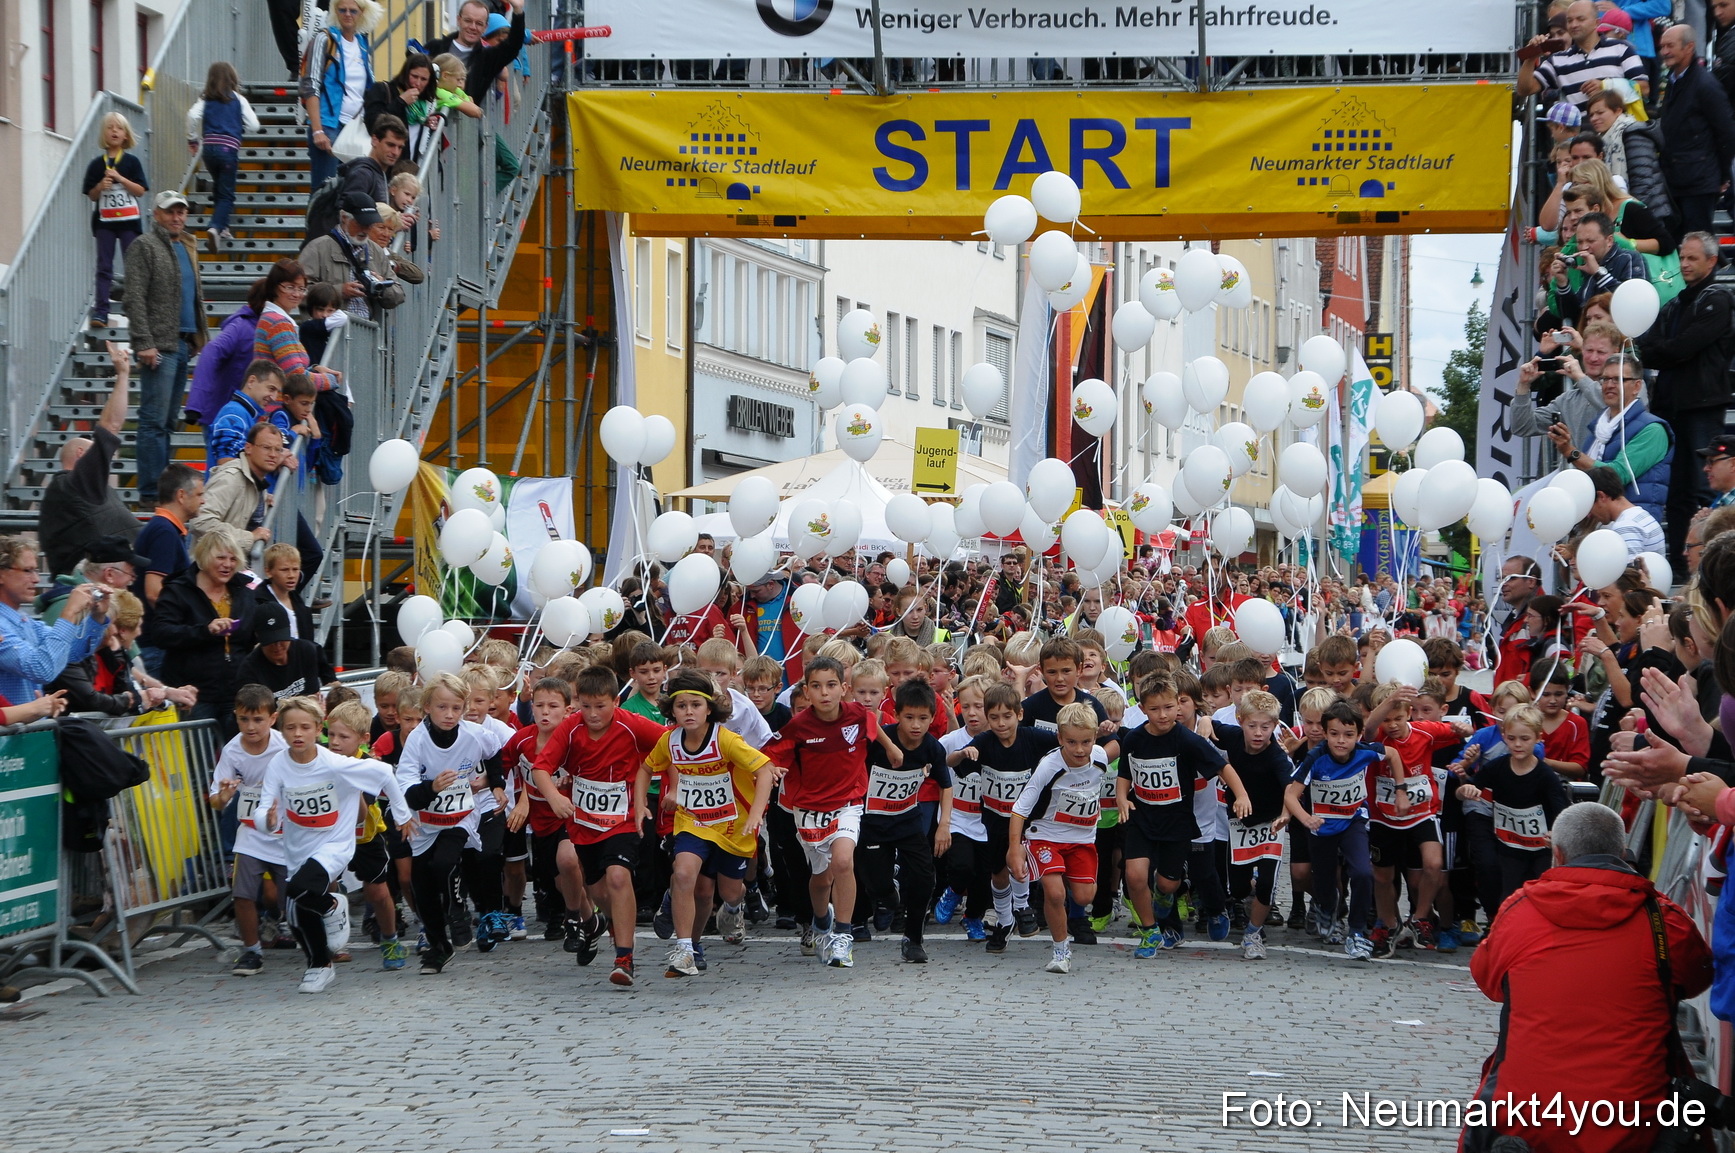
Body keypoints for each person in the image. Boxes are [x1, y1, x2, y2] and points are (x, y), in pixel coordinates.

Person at [1464, 802, 1710, 1153]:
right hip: (1633, 1122)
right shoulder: (1663, 920)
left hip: (1526, 1117)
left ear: (1558, 854)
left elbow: (1488, 981)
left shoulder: (1519, 909)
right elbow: (1698, 979)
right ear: (1623, 854)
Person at [255, 695, 411, 993]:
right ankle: (319, 966)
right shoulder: (278, 764)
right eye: (290, 728)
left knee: (301, 891)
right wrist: (269, 820)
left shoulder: (335, 763)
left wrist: (402, 815)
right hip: (298, 847)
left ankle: (331, 905)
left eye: (304, 727)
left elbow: (384, 773)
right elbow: (264, 809)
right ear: (282, 731)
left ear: (317, 729)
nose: (297, 734)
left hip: (335, 844)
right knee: (296, 912)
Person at [531, 664, 668, 986]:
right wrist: (553, 796)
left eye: (601, 706)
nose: (592, 714)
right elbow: (540, 768)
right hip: (584, 823)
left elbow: (669, 746)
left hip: (623, 818)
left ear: (616, 702)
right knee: (596, 889)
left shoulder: (633, 725)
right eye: (586, 706)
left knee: (619, 877)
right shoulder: (570, 727)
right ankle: (612, 920)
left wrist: (670, 789)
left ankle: (624, 957)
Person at [766, 655, 904, 968]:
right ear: (806, 691)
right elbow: (771, 756)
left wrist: (891, 748)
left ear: (843, 688)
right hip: (810, 808)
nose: (824, 693)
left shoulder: (856, 711)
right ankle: (820, 921)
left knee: (843, 862)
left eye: (831, 685)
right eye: (816, 686)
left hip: (849, 801)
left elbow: (871, 722)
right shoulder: (798, 726)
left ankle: (843, 937)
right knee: (820, 878)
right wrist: (771, 770)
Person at [641, 670, 774, 979]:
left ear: (710, 708)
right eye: (681, 706)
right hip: (693, 821)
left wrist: (756, 815)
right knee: (688, 877)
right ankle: (687, 948)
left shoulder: (726, 739)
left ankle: (732, 908)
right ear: (671, 710)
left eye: (696, 705)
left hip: (732, 826)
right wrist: (638, 807)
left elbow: (765, 769)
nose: (688, 712)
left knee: (728, 892)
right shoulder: (670, 740)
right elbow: (646, 768)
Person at [395, 671, 510, 973]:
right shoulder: (418, 741)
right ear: (427, 708)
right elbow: (405, 790)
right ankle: (438, 947)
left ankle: (457, 910)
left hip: (461, 817)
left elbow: (496, 750)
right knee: (422, 888)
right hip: (425, 823)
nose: (449, 715)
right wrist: (431, 787)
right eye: (442, 707)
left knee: (444, 864)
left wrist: (496, 783)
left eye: (456, 708)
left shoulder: (474, 734)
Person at [1635, 231, 1735, 568]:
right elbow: (1648, 346)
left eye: (1692, 258)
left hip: (1703, 407)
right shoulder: (1675, 303)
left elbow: (1681, 347)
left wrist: (1664, 352)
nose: (1684, 264)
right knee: (1676, 492)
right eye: (1682, 258)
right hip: (1671, 406)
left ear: (1711, 261)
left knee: (1703, 486)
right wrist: (1666, 352)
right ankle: (1680, 560)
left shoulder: (1717, 299)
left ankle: (1711, 561)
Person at [858, 678, 952, 964]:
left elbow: (946, 785)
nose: (916, 725)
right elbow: (864, 720)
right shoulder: (881, 740)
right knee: (876, 881)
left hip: (908, 821)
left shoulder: (932, 748)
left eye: (923, 718)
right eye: (909, 717)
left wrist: (944, 825)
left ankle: (913, 939)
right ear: (896, 714)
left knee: (925, 878)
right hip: (874, 824)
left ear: (932, 718)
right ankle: (887, 896)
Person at [123, 191, 207, 507]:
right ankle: (150, 493)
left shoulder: (186, 245)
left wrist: (198, 337)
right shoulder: (144, 246)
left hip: (183, 343)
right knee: (154, 422)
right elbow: (133, 297)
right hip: (158, 345)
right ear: (156, 214)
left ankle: (163, 491)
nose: (177, 217)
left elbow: (193, 296)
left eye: (181, 212)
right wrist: (144, 341)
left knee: (168, 423)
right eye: (170, 212)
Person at [1008, 701, 1104, 975]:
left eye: (1086, 742)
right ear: (1060, 738)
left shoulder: (1100, 757)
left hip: (1083, 838)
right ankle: (1061, 950)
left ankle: (1060, 874)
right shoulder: (1049, 766)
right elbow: (1020, 809)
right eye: (1071, 742)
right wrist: (1015, 849)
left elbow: (1117, 747)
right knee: (1055, 892)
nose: (1079, 749)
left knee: (1084, 897)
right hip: (1045, 835)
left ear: (1094, 738)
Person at [145, 528, 260, 742]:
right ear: (204, 557)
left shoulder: (245, 593)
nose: (228, 564)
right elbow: (161, 634)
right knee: (199, 764)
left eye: (233, 558)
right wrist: (205, 631)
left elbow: (250, 640)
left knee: (239, 763)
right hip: (194, 695)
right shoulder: (177, 591)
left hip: (236, 693)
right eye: (221, 558)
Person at [207, 685, 288, 976]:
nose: (250, 727)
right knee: (242, 894)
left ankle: (309, 933)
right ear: (236, 717)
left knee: (287, 894)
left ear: (272, 718)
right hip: (251, 833)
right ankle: (252, 951)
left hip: (285, 832)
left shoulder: (284, 745)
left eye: (257, 720)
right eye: (244, 719)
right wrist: (225, 797)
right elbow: (215, 800)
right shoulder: (232, 751)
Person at [39, 342, 139, 578]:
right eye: (98, 455)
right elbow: (111, 426)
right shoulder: (75, 484)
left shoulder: (75, 490)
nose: (107, 460)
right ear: (82, 457)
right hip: (97, 585)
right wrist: (123, 375)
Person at [1548, 351, 1673, 529]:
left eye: (1618, 380)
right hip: (1598, 526)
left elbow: (1615, 475)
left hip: (1633, 528)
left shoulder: (1652, 429)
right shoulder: (1599, 426)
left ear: (1637, 386)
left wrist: (1571, 452)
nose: (1609, 385)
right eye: (1605, 379)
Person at [0, 535, 109, 706]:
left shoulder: (24, 620)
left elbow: (72, 652)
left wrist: (97, 617)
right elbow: (41, 669)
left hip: (25, 729)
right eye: (27, 570)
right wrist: (69, 613)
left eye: (36, 570)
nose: (36, 579)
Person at [1657, 24, 1735, 236]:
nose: (1664, 51)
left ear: (1689, 47)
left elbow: (1726, 132)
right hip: (1675, 180)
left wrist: (1721, 176)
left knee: (1698, 243)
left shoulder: (1705, 84)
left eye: (1670, 46)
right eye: (1662, 46)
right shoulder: (1673, 81)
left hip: (1699, 181)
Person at [1518, 0, 1649, 111]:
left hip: (1620, 133)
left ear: (1597, 23)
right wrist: (1531, 56)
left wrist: (1606, 86)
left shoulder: (1621, 49)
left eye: (1580, 19)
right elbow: (1525, 89)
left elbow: (1643, 88)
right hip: (1582, 137)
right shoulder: (1558, 60)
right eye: (1569, 21)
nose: (1574, 25)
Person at [81, 111, 148, 328]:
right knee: (104, 265)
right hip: (105, 224)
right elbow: (91, 194)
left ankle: (136, 308)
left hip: (129, 223)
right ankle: (101, 311)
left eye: (118, 128)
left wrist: (120, 179)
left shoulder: (132, 162)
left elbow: (140, 191)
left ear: (126, 135)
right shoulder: (95, 165)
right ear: (104, 134)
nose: (114, 132)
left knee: (133, 265)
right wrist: (101, 186)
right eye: (110, 128)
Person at [299, 0, 375, 191]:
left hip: (356, 129)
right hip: (328, 126)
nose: (347, 14)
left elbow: (366, 87)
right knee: (325, 193)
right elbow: (311, 84)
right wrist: (317, 130)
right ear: (335, 11)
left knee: (352, 192)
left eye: (353, 10)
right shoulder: (324, 39)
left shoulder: (363, 44)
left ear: (362, 13)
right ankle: (316, 222)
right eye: (342, 10)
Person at [184, 62, 259, 254]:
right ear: (233, 79)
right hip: (228, 151)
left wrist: (192, 139)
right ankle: (215, 227)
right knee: (227, 193)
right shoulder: (239, 100)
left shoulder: (205, 100)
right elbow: (254, 125)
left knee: (219, 185)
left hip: (209, 151)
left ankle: (223, 227)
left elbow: (192, 116)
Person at [301, 195, 405, 320]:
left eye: (370, 224)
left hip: (368, 333)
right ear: (344, 218)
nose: (366, 230)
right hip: (330, 333)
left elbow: (399, 294)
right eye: (361, 223)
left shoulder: (376, 251)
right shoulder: (317, 248)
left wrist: (382, 288)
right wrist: (339, 292)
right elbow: (299, 292)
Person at [190, 423, 283, 556]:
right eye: (266, 447)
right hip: (212, 570)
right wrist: (249, 537)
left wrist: (263, 501)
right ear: (248, 448)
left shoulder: (257, 481)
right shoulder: (231, 478)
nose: (273, 454)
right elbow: (201, 521)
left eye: (278, 449)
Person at [1587, 88, 1674, 223]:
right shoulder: (1604, 140)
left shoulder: (1634, 134)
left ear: (1618, 111)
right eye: (1591, 114)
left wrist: (1634, 215)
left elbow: (1643, 180)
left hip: (1647, 214)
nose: (1594, 118)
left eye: (1600, 113)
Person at [252, 261, 338, 393]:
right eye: (290, 287)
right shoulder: (277, 323)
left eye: (301, 288)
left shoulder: (274, 319)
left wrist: (314, 369)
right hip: (277, 407)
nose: (297, 294)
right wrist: (331, 380)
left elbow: (286, 370)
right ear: (274, 287)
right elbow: (296, 378)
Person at [1550, 212, 1650, 325]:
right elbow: (1574, 316)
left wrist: (1599, 274)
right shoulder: (1589, 265)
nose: (1584, 247)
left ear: (1609, 241)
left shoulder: (1630, 258)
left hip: (1623, 339)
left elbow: (1634, 305)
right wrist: (1563, 283)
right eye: (1580, 242)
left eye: (1591, 241)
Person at [424, 0, 527, 102]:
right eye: (468, 21)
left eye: (479, 23)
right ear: (458, 20)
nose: (473, 27)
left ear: (485, 27)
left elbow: (513, 46)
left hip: (467, 117)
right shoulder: (434, 47)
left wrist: (518, 10)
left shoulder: (488, 59)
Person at [235, 601, 335, 701]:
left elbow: (332, 683)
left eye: (281, 639)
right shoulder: (249, 670)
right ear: (258, 636)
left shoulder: (308, 650)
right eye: (270, 641)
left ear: (289, 629)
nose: (277, 646)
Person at [206, 359, 290, 471]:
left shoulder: (245, 414)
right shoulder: (234, 413)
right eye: (271, 389)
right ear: (251, 381)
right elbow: (226, 463)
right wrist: (279, 459)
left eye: (277, 392)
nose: (274, 398)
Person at [362, 53, 435, 164]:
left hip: (408, 168)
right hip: (381, 166)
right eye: (414, 76)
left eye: (424, 79)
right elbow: (373, 123)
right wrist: (400, 102)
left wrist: (428, 123)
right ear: (405, 74)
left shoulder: (424, 105)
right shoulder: (382, 90)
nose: (418, 83)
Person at [1588, 463, 1667, 558]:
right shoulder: (1643, 516)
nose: (1589, 514)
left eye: (1590, 505)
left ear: (1601, 496)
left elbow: (1630, 572)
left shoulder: (1625, 527)